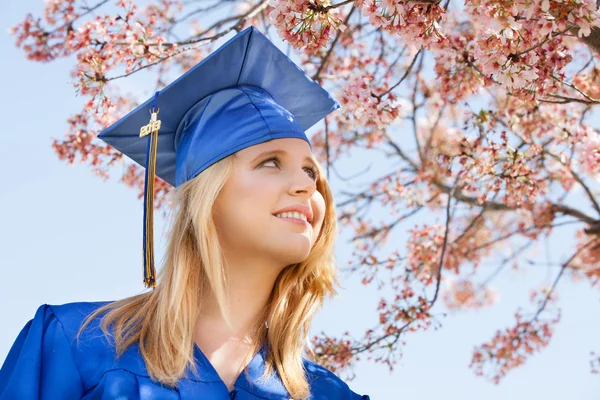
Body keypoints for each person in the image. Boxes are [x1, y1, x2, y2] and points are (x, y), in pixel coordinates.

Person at [0, 26, 370, 400]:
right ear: (208, 198)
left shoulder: (325, 394)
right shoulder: (78, 345)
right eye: (270, 163)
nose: (307, 185)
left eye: (311, 171)